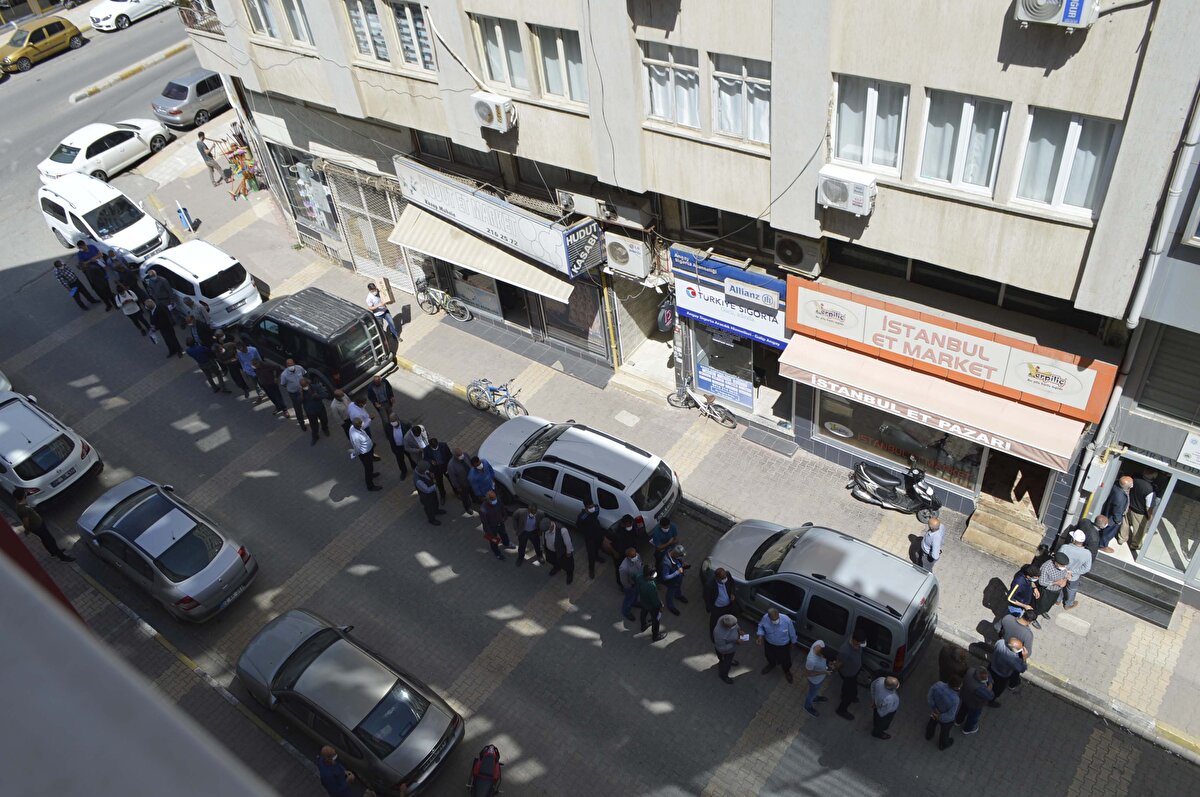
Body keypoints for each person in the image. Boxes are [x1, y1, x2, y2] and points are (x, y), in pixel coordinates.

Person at [13, 488, 74, 562]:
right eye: (25, 493)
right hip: (38, 527)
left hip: (39, 525)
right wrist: (27, 530)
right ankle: (62, 557)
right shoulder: (23, 509)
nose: (26, 494)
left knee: (45, 540)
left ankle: (53, 553)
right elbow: (26, 522)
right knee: (50, 541)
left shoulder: (20, 503)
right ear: (23, 496)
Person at [757, 607, 798, 682]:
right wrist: (760, 636)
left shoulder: (786, 620)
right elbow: (760, 626)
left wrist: (793, 642)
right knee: (769, 655)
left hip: (783, 646)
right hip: (769, 643)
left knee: (786, 661)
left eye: (777, 618)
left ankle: (787, 671)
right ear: (769, 617)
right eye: (773, 620)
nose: (776, 621)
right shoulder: (765, 618)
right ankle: (772, 664)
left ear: (779, 614)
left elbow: (792, 632)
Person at [998, 610, 1036, 689]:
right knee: (1014, 674)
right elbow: (1027, 653)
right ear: (1030, 622)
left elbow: (997, 628)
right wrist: (1024, 657)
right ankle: (1012, 685)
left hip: (1002, 650)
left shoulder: (1007, 618)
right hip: (1014, 658)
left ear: (1023, 614)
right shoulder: (1028, 635)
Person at [987, 637, 1029, 706]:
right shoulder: (1013, 660)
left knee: (988, 681)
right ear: (1015, 650)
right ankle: (990, 701)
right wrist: (1024, 658)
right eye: (1021, 649)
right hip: (1001, 676)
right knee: (997, 690)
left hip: (991, 667)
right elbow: (1022, 669)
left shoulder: (1000, 642)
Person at [604, 514, 642, 589]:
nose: (631, 525)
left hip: (631, 551)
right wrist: (614, 553)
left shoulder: (631, 525)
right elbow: (606, 542)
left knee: (633, 566)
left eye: (631, 523)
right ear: (623, 524)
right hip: (619, 554)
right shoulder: (614, 531)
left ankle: (633, 579)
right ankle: (621, 584)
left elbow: (635, 535)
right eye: (629, 524)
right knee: (620, 569)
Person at [835, 632, 867, 720]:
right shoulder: (845, 650)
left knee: (850, 687)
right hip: (848, 674)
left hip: (854, 672)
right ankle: (841, 710)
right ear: (854, 640)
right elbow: (838, 664)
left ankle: (845, 695)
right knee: (850, 693)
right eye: (859, 643)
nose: (860, 645)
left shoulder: (857, 643)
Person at [925, 676, 962, 751]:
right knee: (945, 732)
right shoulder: (955, 699)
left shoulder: (938, 684)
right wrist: (940, 717)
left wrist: (934, 709)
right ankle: (943, 744)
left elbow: (929, 696)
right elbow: (951, 714)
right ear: (956, 687)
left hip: (935, 711)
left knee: (931, 723)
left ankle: (928, 735)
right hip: (945, 718)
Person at [1060, 529, 1093, 610]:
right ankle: (1068, 604)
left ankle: (1057, 600)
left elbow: (1058, 559)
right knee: (1071, 590)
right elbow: (1087, 568)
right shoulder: (1087, 553)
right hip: (1074, 576)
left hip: (1061, 573)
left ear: (1074, 540)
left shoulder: (1065, 547)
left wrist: (1066, 570)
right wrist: (1073, 572)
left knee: (1059, 586)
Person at [803, 640, 838, 716]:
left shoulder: (820, 643)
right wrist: (824, 672)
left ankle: (815, 697)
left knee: (815, 691)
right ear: (822, 656)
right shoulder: (811, 661)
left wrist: (830, 663)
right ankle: (807, 706)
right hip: (814, 681)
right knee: (811, 693)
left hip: (821, 677)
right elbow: (807, 674)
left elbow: (826, 658)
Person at [956, 667, 994, 736]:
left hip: (965, 696)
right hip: (975, 703)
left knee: (963, 709)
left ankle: (958, 721)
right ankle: (967, 729)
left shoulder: (971, 671)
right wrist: (990, 685)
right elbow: (990, 696)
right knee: (973, 716)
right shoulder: (979, 688)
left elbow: (987, 673)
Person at [1127, 470, 1158, 554]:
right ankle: (1135, 545)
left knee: (1125, 524)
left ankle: (1121, 538)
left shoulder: (1135, 480)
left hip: (1129, 507)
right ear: (1153, 478)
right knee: (1139, 531)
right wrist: (1149, 516)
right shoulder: (1150, 490)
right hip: (1139, 513)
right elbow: (1149, 507)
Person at [1003, 564, 1042, 629]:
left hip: (1024, 600)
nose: (1036, 580)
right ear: (1028, 576)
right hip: (1016, 607)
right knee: (1010, 621)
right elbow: (1009, 598)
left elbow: (1031, 582)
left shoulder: (1027, 572)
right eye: (1035, 578)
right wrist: (1024, 606)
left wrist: (1035, 588)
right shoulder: (1018, 582)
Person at [1100, 476, 1133, 552]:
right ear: (1127, 486)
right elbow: (1117, 511)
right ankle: (1102, 546)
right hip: (1113, 519)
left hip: (1111, 514)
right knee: (1109, 532)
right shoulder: (1120, 497)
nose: (1132, 484)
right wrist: (1118, 521)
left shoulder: (1117, 486)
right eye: (1131, 483)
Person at [704, 567, 740, 635]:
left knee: (731, 618)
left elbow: (732, 584)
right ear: (717, 578)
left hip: (729, 605)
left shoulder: (727, 574)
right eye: (723, 578)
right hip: (718, 608)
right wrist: (710, 608)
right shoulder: (709, 585)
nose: (725, 579)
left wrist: (732, 593)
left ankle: (731, 630)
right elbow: (707, 598)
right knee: (714, 622)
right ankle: (713, 635)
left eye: (725, 577)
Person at [576, 500, 606, 578]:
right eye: (590, 507)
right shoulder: (582, 517)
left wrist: (592, 509)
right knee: (591, 554)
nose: (592, 508)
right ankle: (591, 569)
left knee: (597, 548)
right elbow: (578, 526)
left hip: (598, 535)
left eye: (592, 506)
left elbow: (597, 508)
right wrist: (586, 533)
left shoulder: (595, 509)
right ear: (585, 507)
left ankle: (597, 557)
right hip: (590, 538)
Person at [349, 418, 381, 492]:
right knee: (368, 469)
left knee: (370, 467)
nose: (361, 426)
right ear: (357, 426)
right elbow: (357, 449)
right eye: (360, 425)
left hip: (368, 451)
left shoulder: (353, 427)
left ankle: (371, 475)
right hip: (365, 454)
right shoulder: (356, 436)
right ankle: (370, 486)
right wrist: (354, 454)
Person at [1035, 552, 1071, 617]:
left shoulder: (1063, 565)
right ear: (1056, 563)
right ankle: (1034, 616)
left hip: (1057, 590)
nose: (1064, 567)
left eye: (1064, 566)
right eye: (1062, 565)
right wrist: (1055, 583)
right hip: (1047, 590)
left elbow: (1066, 572)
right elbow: (1041, 582)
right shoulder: (1046, 567)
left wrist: (1066, 579)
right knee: (1040, 604)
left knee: (1050, 603)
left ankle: (1044, 611)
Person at [636, 565, 666, 642]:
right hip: (652, 606)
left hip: (643, 601)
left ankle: (643, 625)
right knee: (656, 620)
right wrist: (660, 606)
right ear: (649, 576)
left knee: (643, 613)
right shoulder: (651, 586)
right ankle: (655, 636)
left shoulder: (639, 577)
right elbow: (655, 600)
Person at [713, 614, 744, 685]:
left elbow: (736, 625)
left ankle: (721, 660)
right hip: (726, 650)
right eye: (733, 625)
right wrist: (735, 642)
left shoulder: (725, 618)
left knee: (722, 657)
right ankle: (723, 675)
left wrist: (739, 630)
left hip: (728, 646)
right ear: (727, 626)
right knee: (727, 663)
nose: (735, 625)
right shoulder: (719, 634)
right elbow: (722, 647)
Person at [543, 518, 575, 584]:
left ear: (551, 526)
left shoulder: (562, 530)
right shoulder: (545, 528)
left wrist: (569, 552)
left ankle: (569, 574)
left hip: (561, 552)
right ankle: (557, 568)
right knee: (552, 560)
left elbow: (568, 543)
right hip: (551, 551)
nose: (545, 532)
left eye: (547, 530)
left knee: (568, 565)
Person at [299, 378, 330, 444]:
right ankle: (315, 436)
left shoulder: (316, 387)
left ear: (308, 383)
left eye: (305, 385)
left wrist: (317, 396)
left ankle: (325, 429)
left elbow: (325, 395)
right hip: (310, 412)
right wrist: (301, 396)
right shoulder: (300, 391)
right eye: (303, 386)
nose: (305, 387)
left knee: (324, 419)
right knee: (313, 425)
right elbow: (299, 402)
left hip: (320, 408)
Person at [659, 544, 688, 614]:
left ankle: (678, 595)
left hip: (678, 579)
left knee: (678, 587)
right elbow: (665, 577)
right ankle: (670, 606)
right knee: (670, 592)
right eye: (680, 555)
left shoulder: (672, 551)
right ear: (675, 555)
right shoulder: (666, 563)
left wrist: (682, 564)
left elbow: (679, 560)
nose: (681, 557)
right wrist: (677, 572)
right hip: (672, 581)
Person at [870, 676, 900, 740]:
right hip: (885, 713)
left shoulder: (880, 679)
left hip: (876, 704)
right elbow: (886, 710)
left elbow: (872, 686)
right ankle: (877, 733)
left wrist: (873, 700)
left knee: (876, 716)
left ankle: (876, 723)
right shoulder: (891, 698)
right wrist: (882, 716)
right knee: (882, 723)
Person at [280, 359, 307, 429]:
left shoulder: (299, 368)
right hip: (294, 393)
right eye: (289, 365)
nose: (291, 366)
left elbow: (304, 375)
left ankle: (309, 415)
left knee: (307, 403)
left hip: (303, 390)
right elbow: (283, 384)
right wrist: (291, 387)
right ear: (287, 366)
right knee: (298, 409)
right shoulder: (284, 375)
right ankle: (301, 423)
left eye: (292, 364)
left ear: (294, 363)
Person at [618, 548, 642, 621]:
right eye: (633, 556)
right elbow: (624, 581)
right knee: (629, 599)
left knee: (636, 594)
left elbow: (640, 564)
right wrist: (630, 586)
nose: (636, 556)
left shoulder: (637, 556)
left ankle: (634, 603)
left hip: (637, 581)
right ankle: (626, 611)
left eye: (635, 554)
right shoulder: (624, 568)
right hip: (631, 585)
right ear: (628, 556)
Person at [447, 448, 474, 514]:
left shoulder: (465, 455)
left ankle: (475, 500)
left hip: (472, 480)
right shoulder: (451, 465)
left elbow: (470, 463)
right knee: (465, 498)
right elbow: (453, 479)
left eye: (461, 454)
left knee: (473, 492)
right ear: (454, 456)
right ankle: (468, 508)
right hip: (463, 485)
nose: (461, 456)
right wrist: (458, 488)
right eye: (459, 455)